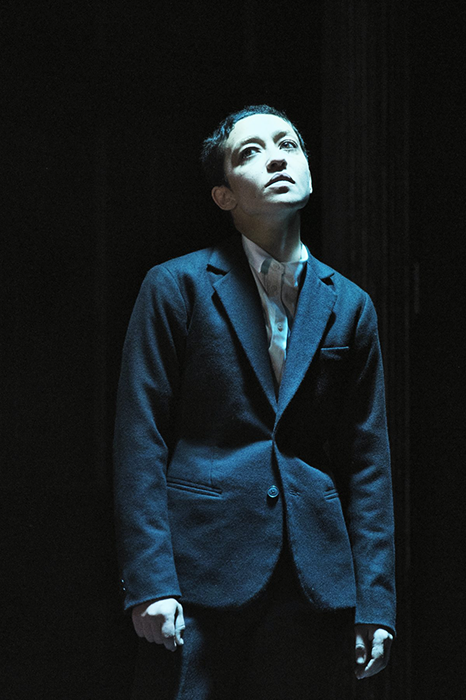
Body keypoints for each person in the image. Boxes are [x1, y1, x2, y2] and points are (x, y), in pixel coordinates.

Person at [114, 105, 396, 700]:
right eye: (250, 152)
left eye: (288, 145)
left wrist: (375, 603)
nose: (275, 159)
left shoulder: (351, 305)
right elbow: (140, 439)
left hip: (314, 581)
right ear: (223, 195)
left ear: (309, 170)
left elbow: (368, 463)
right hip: (199, 574)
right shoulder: (176, 286)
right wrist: (150, 581)